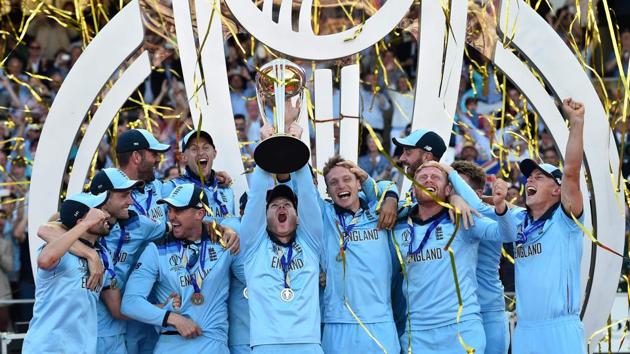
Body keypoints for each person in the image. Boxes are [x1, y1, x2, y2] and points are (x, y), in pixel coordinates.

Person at [391, 162, 517, 353]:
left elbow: (507, 234)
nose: (428, 180)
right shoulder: (397, 226)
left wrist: (500, 207)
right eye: (422, 177)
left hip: (460, 329)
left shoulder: (463, 219)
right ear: (413, 187)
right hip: (416, 333)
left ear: (449, 189)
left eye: (435, 177)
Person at [122, 183, 243, 353]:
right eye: (169, 210)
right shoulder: (156, 250)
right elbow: (130, 303)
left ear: (199, 213)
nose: (171, 216)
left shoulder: (224, 243)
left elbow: (252, 280)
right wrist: (173, 319)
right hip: (171, 344)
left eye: (178, 210)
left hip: (213, 345)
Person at [507, 99, 587, 354]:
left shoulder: (566, 220)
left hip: (559, 331)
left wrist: (576, 124)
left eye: (539, 177)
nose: (530, 179)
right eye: (529, 177)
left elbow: (572, 172)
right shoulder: (520, 221)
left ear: (557, 189)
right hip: (524, 331)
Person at [240, 122, 324, 353]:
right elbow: (257, 196)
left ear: (297, 216)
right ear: (265, 215)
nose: (281, 208)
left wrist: (297, 149)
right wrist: (265, 147)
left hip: (308, 344)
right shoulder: (252, 244)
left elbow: (307, 194)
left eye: (287, 204)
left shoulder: (311, 241)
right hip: (266, 344)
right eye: (274, 205)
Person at [318, 156, 401, 354]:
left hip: (380, 323)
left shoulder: (379, 211)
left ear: (359, 184)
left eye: (347, 179)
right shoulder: (324, 215)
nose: (341, 186)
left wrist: (386, 194)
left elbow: (390, 186)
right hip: (337, 322)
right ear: (328, 191)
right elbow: (301, 186)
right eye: (333, 182)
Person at [22, 192, 111, 353]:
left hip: (83, 349)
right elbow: (44, 260)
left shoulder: (102, 255)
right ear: (81, 220)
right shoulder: (60, 250)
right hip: (47, 348)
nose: (105, 214)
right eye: (97, 210)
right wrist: (85, 226)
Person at [116, 128, 171, 353]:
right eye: (153, 154)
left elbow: (191, 189)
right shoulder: (109, 191)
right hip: (121, 298)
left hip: (157, 294)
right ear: (137, 157)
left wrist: (216, 175)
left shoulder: (159, 187)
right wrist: (90, 254)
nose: (158, 160)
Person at [449, 160, 510, 354]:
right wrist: (453, 199)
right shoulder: (447, 215)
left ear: (476, 194)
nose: (453, 191)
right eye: (452, 186)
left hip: (489, 311)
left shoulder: (493, 216)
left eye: (460, 187)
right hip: (458, 314)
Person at [163, 129, 239, 229]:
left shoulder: (226, 189)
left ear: (214, 153)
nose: (201, 153)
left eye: (206, 148)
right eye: (194, 149)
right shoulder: (172, 187)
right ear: (183, 157)